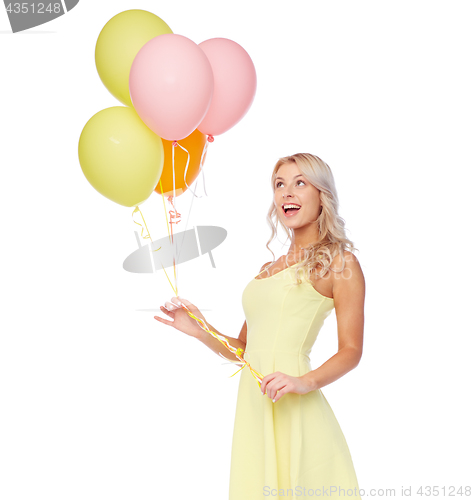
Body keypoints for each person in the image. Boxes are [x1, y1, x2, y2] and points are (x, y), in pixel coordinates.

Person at [154, 153, 365, 499]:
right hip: (255, 402)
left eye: (300, 183)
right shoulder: (269, 268)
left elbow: (352, 350)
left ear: (321, 194)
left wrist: (301, 382)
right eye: (279, 185)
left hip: (296, 402)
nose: (286, 193)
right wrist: (199, 328)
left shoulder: (341, 263)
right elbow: (243, 349)